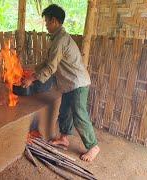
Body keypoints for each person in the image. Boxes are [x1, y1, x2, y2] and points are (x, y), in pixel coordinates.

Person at [22, 4, 100, 162]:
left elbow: (51, 67)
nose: (45, 24)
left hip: (77, 83)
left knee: (79, 114)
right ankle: (64, 138)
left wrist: (32, 78)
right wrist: (32, 69)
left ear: (55, 21)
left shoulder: (60, 40)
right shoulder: (57, 38)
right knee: (65, 111)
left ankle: (93, 146)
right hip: (68, 83)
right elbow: (47, 61)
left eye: (47, 21)